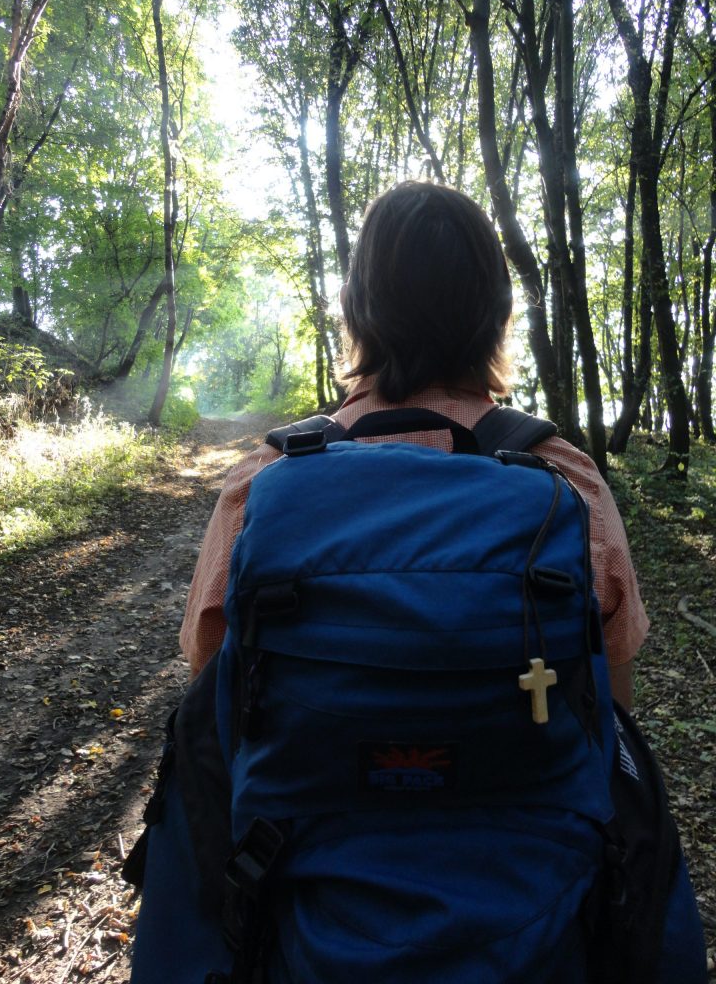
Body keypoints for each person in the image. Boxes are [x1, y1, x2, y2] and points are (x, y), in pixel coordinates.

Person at [179, 180, 647, 710]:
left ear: (352, 309)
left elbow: (209, 687)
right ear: (500, 317)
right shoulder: (568, 481)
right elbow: (613, 707)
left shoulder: (262, 481)